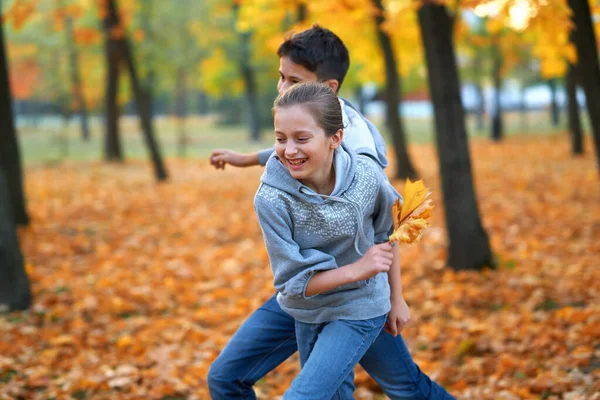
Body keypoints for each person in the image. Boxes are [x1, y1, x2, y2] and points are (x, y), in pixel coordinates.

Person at [208, 26, 454, 400]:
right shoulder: (294, 142)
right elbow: (295, 141)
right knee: (227, 379)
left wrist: (393, 295)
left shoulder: (360, 159)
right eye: (281, 78)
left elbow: (382, 225)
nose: (283, 89)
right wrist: (245, 159)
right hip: (307, 296)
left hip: (357, 296)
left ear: (330, 89)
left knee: (404, 386)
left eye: (294, 80)